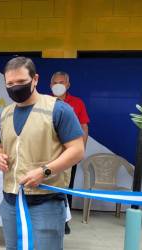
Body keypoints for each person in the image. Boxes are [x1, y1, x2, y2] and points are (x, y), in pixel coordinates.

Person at [0, 57, 85, 250]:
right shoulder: (5, 114)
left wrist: (44, 171)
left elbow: (77, 150)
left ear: (35, 79)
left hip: (46, 201)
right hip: (11, 201)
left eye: (21, 82)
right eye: (10, 83)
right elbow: (1, 146)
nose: (15, 87)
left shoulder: (59, 109)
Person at [50, 71, 90, 234]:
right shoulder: (45, 102)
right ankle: (50, 218)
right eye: (55, 82)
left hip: (69, 153)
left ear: (68, 85)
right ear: (50, 85)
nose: (58, 85)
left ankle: (65, 221)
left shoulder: (77, 103)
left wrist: (81, 150)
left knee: (67, 186)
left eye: (62, 82)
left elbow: (84, 127)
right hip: (50, 154)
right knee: (51, 186)